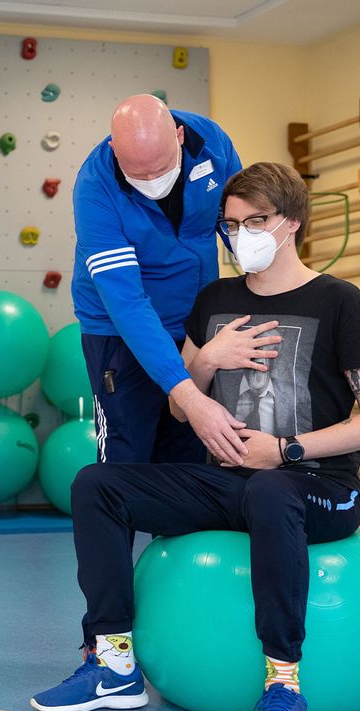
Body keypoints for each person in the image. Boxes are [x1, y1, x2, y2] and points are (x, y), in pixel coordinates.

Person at [33, 163, 360, 711]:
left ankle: (284, 689)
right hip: (227, 481)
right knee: (96, 484)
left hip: (316, 486)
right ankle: (114, 662)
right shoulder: (215, 300)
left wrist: (285, 450)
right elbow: (184, 413)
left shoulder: (339, 302)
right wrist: (208, 358)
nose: (240, 235)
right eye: (230, 225)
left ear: (293, 224)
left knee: (271, 489)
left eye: (256, 220)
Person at [72, 94, 247, 466]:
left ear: (179, 136)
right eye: (139, 173)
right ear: (113, 150)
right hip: (119, 329)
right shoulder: (94, 187)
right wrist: (188, 395)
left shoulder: (212, 144)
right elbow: (127, 302)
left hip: (194, 320)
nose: (153, 181)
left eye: (160, 167)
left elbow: (239, 226)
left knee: (188, 457)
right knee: (126, 459)